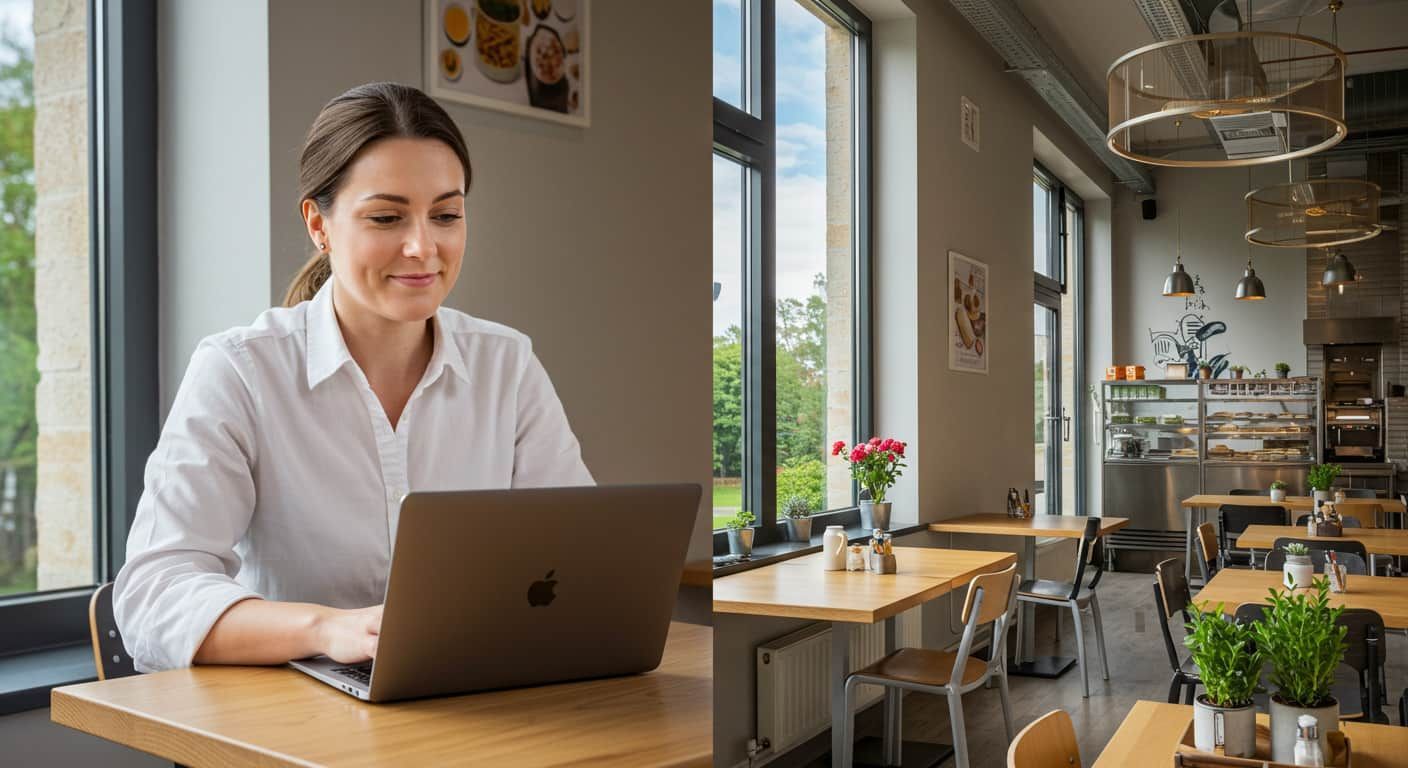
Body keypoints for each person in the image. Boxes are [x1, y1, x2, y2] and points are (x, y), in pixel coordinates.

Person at [113, 82, 593, 673]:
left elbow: (579, 559)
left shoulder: (507, 364)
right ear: (319, 224)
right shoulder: (240, 371)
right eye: (387, 217)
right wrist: (327, 628)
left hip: (472, 702)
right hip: (291, 726)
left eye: (446, 215)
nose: (423, 247)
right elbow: (151, 596)